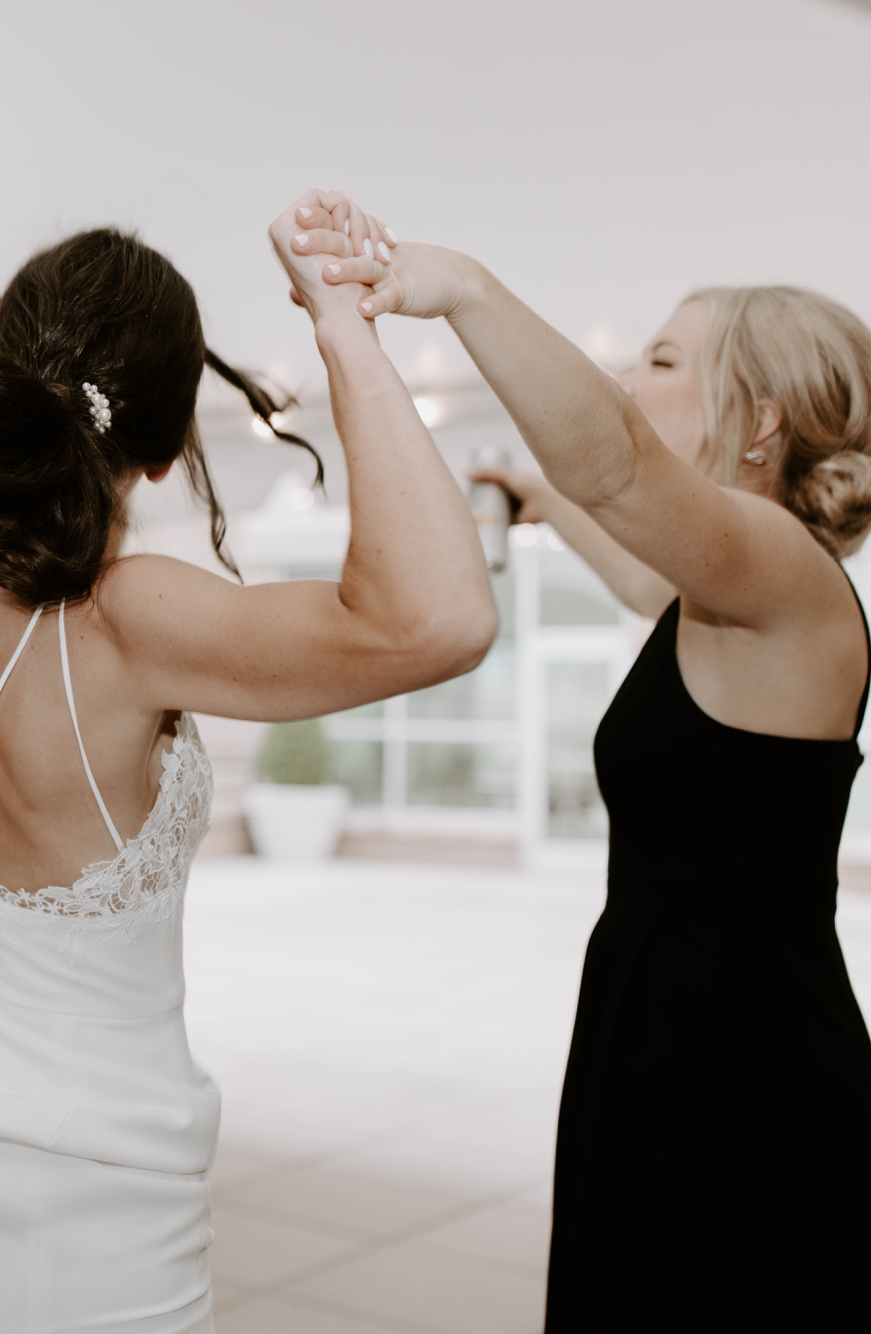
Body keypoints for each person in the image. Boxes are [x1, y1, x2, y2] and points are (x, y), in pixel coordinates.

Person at [0, 56, 498, 1330]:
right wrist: (342, 327)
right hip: (83, 1236)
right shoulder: (126, 621)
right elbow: (440, 617)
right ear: (161, 440)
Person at [360, 245, 871, 1327]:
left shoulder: (779, 565)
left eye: (659, 359)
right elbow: (637, 559)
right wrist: (532, 492)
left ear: (758, 419)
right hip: (663, 1028)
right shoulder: (716, 586)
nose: (630, 386)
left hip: (745, 1067)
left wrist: (460, 288)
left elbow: (621, 469)